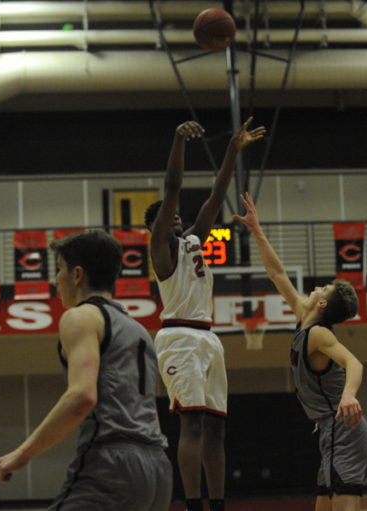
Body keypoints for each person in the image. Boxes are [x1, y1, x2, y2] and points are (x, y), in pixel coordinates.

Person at [0, 229, 172, 511]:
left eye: (59, 270)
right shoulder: (139, 331)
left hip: (113, 464)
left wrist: (22, 454)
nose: (56, 281)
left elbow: (82, 397)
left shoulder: (81, 317)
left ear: (77, 275)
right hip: (158, 468)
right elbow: (151, 414)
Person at [143, 117, 265, 511]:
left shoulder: (195, 238)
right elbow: (174, 188)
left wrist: (232, 149)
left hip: (207, 337)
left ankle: (218, 505)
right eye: (166, 214)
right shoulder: (161, 249)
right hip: (178, 337)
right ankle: (193, 504)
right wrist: (178, 139)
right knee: (191, 424)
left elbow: (217, 194)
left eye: (176, 214)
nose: (175, 215)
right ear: (155, 227)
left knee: (216, 427)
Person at [233, 192, 367, 511]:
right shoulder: (304, 319)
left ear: (321, 304)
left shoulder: (319, 334)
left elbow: (354, 363)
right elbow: (277, 274)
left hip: (342, 426)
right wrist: (257, 231)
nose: (317, 286)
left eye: (323, 288)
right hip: (329, 428)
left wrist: (349, 395)